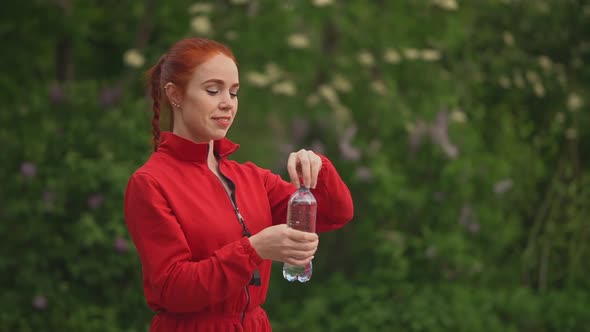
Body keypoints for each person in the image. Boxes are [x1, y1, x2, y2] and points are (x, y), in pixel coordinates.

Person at [123, 37, 354, 332]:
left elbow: (335, 214)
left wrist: (318, 170)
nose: (227, 104)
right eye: (213, 90)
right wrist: (253, 249)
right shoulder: (151, 183)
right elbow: (172, 288)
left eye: (233, 93)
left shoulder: (252, 178)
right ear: (175, 94)